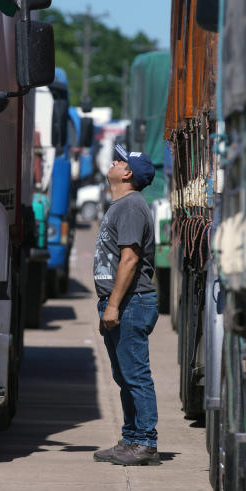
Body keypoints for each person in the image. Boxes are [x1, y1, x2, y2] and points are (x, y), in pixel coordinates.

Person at [92, 144, 160, 466]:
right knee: (124, 375)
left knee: (135, 375)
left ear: (128, 173)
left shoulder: (131, 206)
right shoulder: (122, 205)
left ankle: (145, 442)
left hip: (131, 302)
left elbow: (130, 259)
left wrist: (114, 305)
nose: (115, 162)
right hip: (122, 302)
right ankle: (130, 439)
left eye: (120, 160)